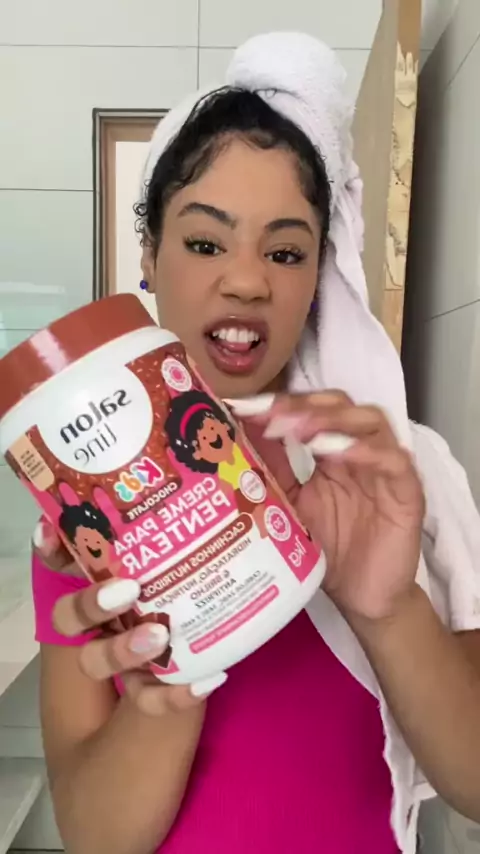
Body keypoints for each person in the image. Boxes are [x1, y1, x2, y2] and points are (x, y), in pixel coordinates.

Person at [32, 33, 480, 854]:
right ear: (149, 256)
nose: (246, 280)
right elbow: (94, 835)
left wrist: (387, 610)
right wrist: (172, 683)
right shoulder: (91, 519)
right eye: (206, 243)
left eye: (285, 251)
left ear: (318, 280)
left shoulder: (399, 480)